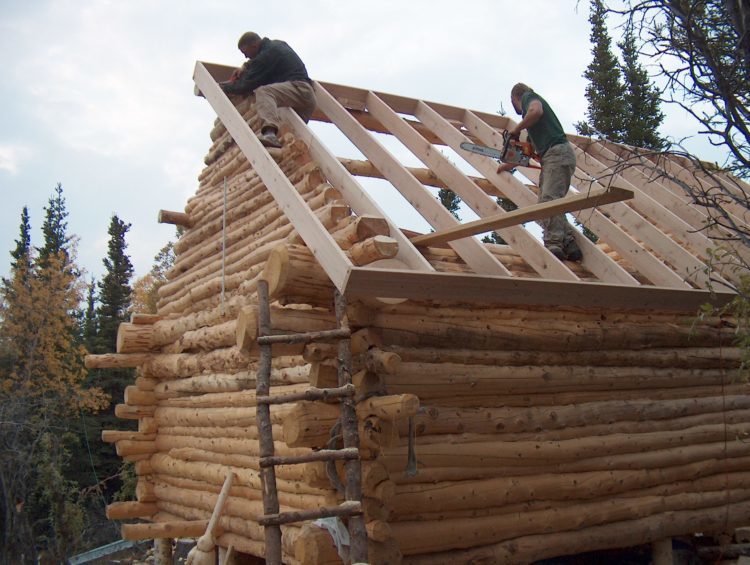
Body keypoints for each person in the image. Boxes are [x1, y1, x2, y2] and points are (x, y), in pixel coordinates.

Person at [498, 83, 583, 262]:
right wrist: (507, 165)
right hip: (553, 156)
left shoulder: (529, 98)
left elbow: (535, 111)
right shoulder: (535, 130)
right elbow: (527, 155)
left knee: (549, 201)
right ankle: (569, 243)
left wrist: (516, 129)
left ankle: (554, 244)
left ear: (515, 98)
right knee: (547, 201)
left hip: (557, 154)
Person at [220, 32, 316, 149]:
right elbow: (257, 62)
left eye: (245, 52)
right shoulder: (276, 45)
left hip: (298, 90)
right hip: (305, 97)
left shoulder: (267, 55)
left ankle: (270, 134)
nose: (246, 56)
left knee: (264, 92)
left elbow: (246, 85)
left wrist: (225, 88)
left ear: (254, 45)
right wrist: (245, 67)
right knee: (291, 139)